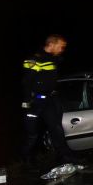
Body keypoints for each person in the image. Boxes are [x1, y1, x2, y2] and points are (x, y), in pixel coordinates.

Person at [21, 34, 75, 164]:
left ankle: (64, 156)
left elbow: (50, 79)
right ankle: (26, 158)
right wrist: (27, 101)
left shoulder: (53, 59)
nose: (62, 49)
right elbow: (26, 82)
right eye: (60, 46)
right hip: (35, 101)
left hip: (49, 100)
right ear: (51, 44)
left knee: (56, 129)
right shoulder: (34, 60)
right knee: (32, 133)